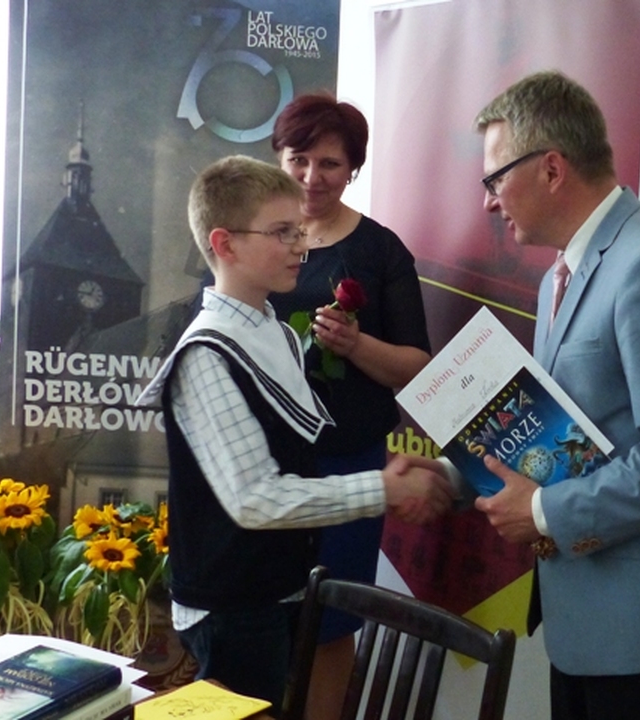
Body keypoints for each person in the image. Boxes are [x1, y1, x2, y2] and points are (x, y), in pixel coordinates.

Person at [471, 71, 640, 720]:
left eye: (494, 179)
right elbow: (561, 432)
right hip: (585, 618)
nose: (488, 202)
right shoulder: (557, 277)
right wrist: (456, 477)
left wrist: (544, 513)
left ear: (551, 168)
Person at [136, 155, 452, 710]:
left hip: (280, 587)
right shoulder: (206, 355)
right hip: (233, 602)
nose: (300, 248)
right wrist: (383, 488)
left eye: (299, 231)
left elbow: (298, 455)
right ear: (225, 244)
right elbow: (256, 499)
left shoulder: (276, 332)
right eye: (282, 233)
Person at [268, 93, 432, 720]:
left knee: (333, 622)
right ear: (278, 158)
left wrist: (356, 345)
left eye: (330, 164)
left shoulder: (381, 251)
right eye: (299, 159)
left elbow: (418, 367)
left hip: (349, 463)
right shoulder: (253, 238)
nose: (312, 177)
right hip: (261, 464)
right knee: (257, 615)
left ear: (354, 169)